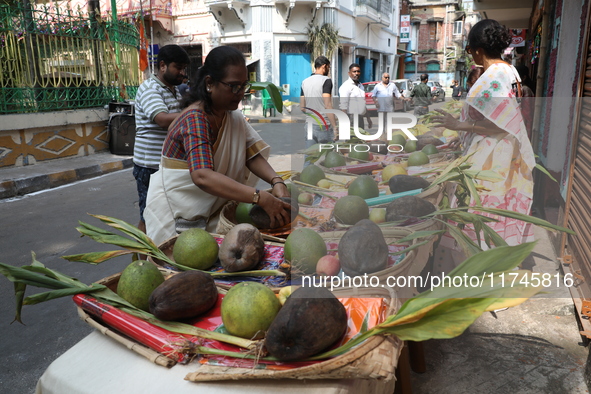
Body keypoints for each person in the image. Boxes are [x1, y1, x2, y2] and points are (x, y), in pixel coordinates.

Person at [144, 46, 290, 245]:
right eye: (233, 86)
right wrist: (260, 197)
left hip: (210, 214)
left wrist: (277, 182)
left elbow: (251, 155)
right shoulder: (195, 118)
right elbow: (202, 175)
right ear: (210, 83)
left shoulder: (233, 117)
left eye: (243, 86)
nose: (240, 93)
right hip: (175, 218)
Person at [431, 19, 535, 267]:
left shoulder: (494, 76)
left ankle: (483, 271)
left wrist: (460, 126)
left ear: (477, 49)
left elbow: (500, 123)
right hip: (504, 152)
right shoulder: (509, 70)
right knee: (498, 213)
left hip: (492, 158)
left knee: (479, 214)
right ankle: (495, 267)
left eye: (469, 49)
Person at [133, 44, 189, 234]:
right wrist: (195, 112)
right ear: (163, 65)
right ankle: (142, 260)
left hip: (166, 165)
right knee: (148, 216)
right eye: (178, 68)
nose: (182, 73)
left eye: (183, 68)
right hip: (149, 166)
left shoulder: (173, 90)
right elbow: (162, 119)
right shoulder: (150, 88)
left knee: (165, 215)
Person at [300, 56, 338, 149]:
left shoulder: (304, 82)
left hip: (309, 125)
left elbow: (302, 107)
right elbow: (327, 105)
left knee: (309, 157)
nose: (328, 70)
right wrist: (335, 127)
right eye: (328, 67)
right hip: (323, 125)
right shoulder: (326, 81)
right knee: (330, 157)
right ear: (324, 66)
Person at [338, 63, 372, 130]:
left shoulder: (360, 86)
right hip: (351, 118)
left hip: (360, 118)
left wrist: (368, 119)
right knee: (352, 139)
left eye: (358, 71)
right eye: (354, 71)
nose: (356, 73)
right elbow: (343, 106)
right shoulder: (346, 86)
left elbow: (363, 104)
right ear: (349, 73)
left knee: (360, 139)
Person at [516, 65, 535, 140]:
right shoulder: (523, 89)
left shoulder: (524, 89)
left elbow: (526, 112)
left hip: (524, 124)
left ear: (523, 78)